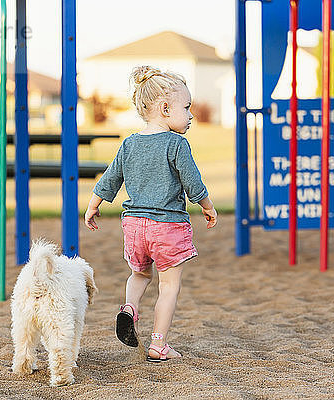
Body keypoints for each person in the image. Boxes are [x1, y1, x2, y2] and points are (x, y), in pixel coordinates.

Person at [84, 65, 217, 362]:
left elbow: (109, 179)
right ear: (165, 108)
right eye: (187, 107)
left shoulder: (129, 144)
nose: (191, 115)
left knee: (139, 274)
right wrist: (207, 206)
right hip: (167, 226)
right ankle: (158, 344)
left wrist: (93, 206)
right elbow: (192, 182)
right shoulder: (176, 144)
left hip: (133, 227)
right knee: (168, 285)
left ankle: (129, 309)